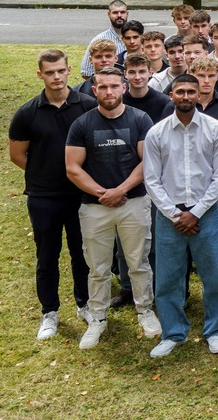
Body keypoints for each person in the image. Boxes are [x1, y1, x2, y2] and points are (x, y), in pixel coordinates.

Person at [64, 67, 160, 349]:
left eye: (114, 86)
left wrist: (121, 190)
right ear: (95, 90)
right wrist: (102, 193)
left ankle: (145, 310)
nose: (109, 92)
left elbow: (148, 162)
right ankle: (97, 318)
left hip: (134, 202)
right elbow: (72, 168)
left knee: (138, 262)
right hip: (94, 207)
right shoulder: (82, 124)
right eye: (103, 87)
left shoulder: (140, 119)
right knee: (97, 267)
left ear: (123, 88)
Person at [9, 49, 97, 340]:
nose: (56, 77)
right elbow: (17, 155)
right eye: (49, 72)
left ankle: (84, 304)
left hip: (80, 195)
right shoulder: (27, 112)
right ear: (40, 75)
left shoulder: (88, 106)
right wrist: (45, 172)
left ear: (69, 70)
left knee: (81, 253)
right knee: (46, 256)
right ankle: (50, 312)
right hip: (43, 197)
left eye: (60, 70)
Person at [143, 74, 218, 357]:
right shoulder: (156, 133)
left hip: (206, 212)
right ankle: (173, 333)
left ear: (198, 95)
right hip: (169, 215)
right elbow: (151, 179)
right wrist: (175, 215)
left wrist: (195, 213)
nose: (185, 96)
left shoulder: (216, 129)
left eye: (191, 92)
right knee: (168, 278)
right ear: (171, 95)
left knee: (214, 275)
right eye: (180, 91)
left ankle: (215, 330)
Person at [79, 0, 128, 77]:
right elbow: (86, 72)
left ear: (127, 14)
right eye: (115, 13)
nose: (119, 15)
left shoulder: (138, 40)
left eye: (122, 12)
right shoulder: (98, 40)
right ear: (108, 14)